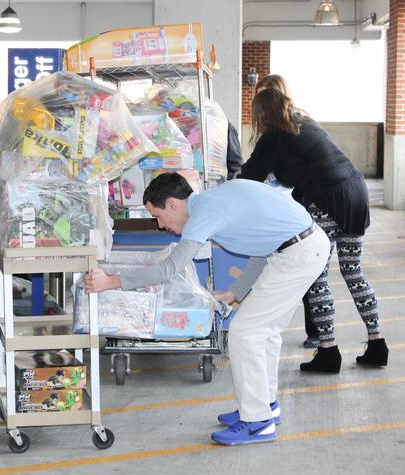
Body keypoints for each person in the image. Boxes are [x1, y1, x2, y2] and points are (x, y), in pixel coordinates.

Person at [84, 173, 330, 446]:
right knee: (264, 333)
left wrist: (111, 282)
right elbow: (262, 247)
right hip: (296, 249)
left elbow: (169, 268)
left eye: (159, 216)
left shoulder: (205, 212)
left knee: (244, 333)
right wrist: (236, 292)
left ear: (173, 204)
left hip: (299, 254)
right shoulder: (214, 202)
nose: (162, 226)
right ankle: (264, 407)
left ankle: (257, 423)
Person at [239, 88, 388, 373]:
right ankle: (377, 343)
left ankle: (328, 351)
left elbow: (251, 176)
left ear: (262, 114)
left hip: (326, 198)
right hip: (356, 192)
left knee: (317, 275)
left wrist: (231, 183)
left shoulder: (273, 135)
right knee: (353, 272)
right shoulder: (303, 122)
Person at [253, 74, 319, 349]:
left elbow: (256, 171)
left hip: (306, 203)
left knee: (313, 272)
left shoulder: (291, 126)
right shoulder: (284, 127)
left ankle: (318, 332)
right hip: (289, 202)